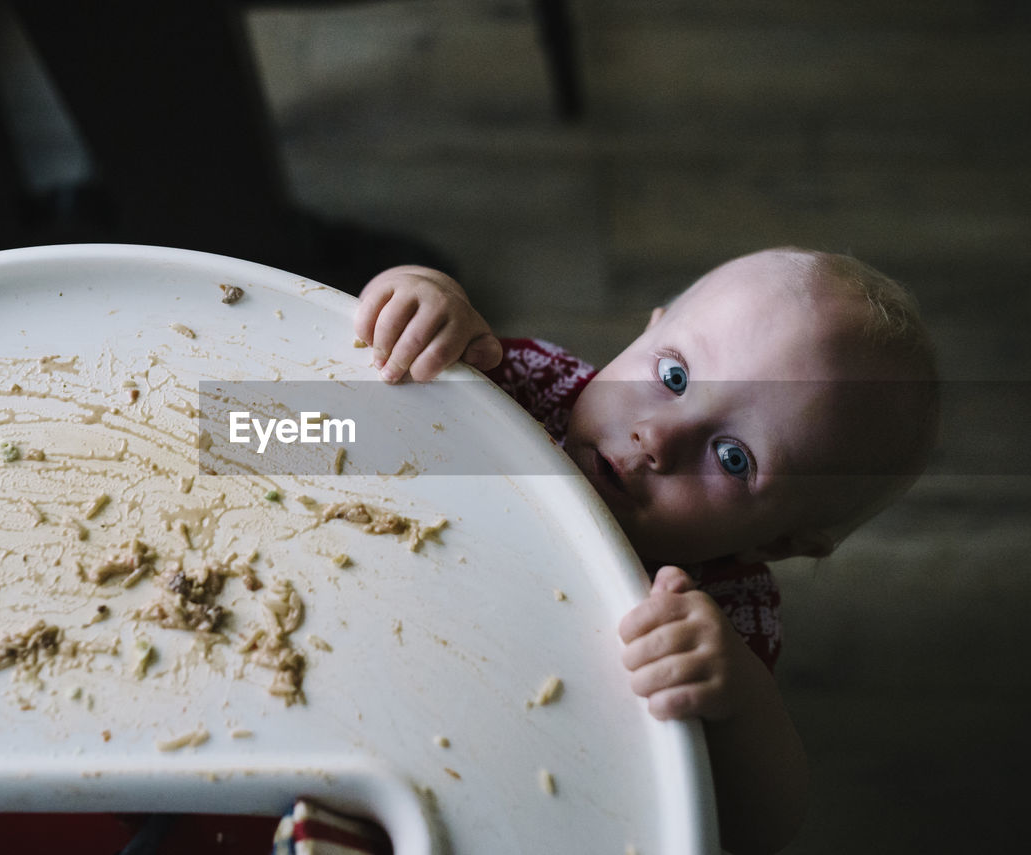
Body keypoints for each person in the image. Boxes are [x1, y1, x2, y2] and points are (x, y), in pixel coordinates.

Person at [353, 246, 939, 855]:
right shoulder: (533, 386)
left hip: (502, 763)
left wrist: (738, 701)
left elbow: (755, 827)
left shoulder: (720, 614)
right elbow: (382, 377)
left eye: (733, 457)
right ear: (649, 329)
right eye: (674, 377)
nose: (659, 436)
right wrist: (421, 298)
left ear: (778, 541)